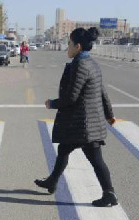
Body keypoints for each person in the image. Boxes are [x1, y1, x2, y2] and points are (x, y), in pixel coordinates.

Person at [35, 27, 118, 207]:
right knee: (64, 150)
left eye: (69, 44)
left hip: (84, 125)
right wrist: (109, 114)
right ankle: (52, 181)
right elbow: (102, 92)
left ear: (78, 46)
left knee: (95, 160)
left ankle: (109, 194)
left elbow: (71, 97)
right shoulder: (92, 63)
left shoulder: (81, 65)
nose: (68, 48)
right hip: (83, 123)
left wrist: (52, 103)